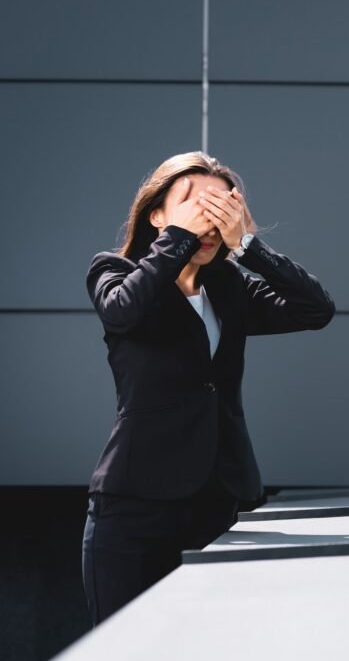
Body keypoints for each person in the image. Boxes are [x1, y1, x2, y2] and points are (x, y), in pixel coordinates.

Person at [80, 151, 335, 626]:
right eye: (194, 203)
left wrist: (248, 246)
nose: (208, 218)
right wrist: (179, 238)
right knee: (125, 652)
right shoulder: (115, 273)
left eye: (220, 207)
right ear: (156, 214)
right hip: (133, 510)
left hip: (215, 502)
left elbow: (314, 310)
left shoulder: (229, 287)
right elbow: (122, 311)